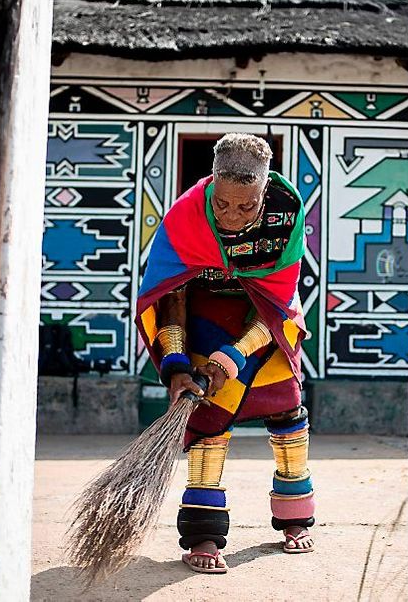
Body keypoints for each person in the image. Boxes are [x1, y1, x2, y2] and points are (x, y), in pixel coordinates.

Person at [135, 133, 315, 574]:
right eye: (223, 205)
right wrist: (177, 365)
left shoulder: (285, 214)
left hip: (264, 320)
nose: (233, 217)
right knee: (208, 419)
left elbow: (275, 300)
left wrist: (233, 356)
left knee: (288, 411)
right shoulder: (185, 216)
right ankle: (203, 534)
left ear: (264, 192)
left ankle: (295, 520)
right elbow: (170, 294)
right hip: (203, 314)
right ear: (212, 186)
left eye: (247, 206)